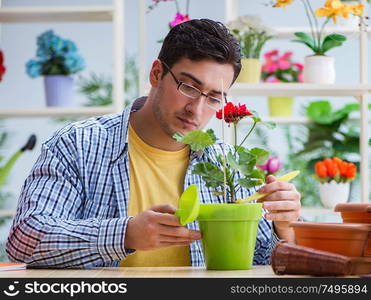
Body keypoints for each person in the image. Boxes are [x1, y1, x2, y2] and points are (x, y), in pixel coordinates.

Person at [6, 19, 301, 268]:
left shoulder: (226, 165)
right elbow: (25, 239)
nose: (196, 110)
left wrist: (283, 229)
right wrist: (125, 234)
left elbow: (260, 262)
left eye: (213, 97)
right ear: (156, 73)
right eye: (188, 87)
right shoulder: (77, 144)